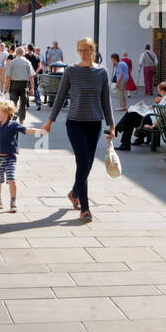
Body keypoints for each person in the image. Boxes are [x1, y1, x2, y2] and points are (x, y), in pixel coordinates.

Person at [43, 37, 115, 224]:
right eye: (80, 50)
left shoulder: (102, 72)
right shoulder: (71, 71)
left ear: (93, 50)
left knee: (88, 163)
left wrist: (112, 124)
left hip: (94, 123)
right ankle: (84, 208)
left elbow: (106, 99)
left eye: (86, 49)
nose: (83, 53)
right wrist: (50, 120)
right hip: (75, 123)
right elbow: (59, 97)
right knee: (83, 162)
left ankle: (75, 192)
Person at [0, 98, 47, 213]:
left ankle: (13, 201)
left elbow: (27, 130)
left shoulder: (14, 125)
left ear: (6, 113)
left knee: (12, 180)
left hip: (10, 158)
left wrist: (40, 131)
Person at [7, 46, 35, 121]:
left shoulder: (12, 62)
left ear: (16, 53)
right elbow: (31, 76)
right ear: (24, 53)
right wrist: (32, 88)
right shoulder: (27, 62)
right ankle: (21, 119)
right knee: (23, 103)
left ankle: (13, 116)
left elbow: (8, 75)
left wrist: (7, 85)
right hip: (24, 84)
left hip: (14, 84)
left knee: (13, 102)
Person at [26, 44, 44, 109]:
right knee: (35, 88)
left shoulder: (25, 56)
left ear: (28, 49)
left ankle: (26, 102)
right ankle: (38, 101)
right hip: (34, 75)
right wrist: (35, 73)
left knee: (27, 88)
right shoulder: (37, 56)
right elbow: (40, 67)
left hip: (27, 75)